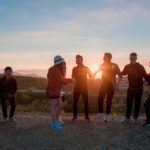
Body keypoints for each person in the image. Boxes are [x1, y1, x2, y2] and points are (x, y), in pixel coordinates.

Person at [122, 52, 149, 124]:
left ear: (136, 58)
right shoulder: (127, 66)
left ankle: (135, 118)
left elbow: (146, 77)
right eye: (130, 58)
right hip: (130, 88)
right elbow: (122, 73)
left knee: (137, 103)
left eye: (133, 58)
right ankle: (127, 118)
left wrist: (149, 81)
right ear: (129, 58)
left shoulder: (140, 67)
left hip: (139, 89)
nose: (132, 59)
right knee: (129, 103)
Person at [47, 55, 72, 131]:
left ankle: (55, 121)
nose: (63, 65)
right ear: (60, 63)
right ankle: (54, 124)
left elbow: (60, 80)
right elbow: (61, 80)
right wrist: (72, 80)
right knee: (54, 106)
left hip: (56, 91)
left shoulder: (54, 69)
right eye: (62, 63)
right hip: (53, 90)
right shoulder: (55, 70)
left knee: (59, 104)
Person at [95, 53, 122, 122]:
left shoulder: (114, 65)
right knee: (100, 98)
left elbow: (120, 76)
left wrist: (118, 85)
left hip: (111, 85)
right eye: (103, 57)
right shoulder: (102, 65)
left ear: (109, 58)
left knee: (108, 101)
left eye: (105, 57)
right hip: (103, 85)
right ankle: (100, 113)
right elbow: (98, 71)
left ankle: (108, 115)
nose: (103, 58)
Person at [72, 54, 92, 121]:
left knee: (86, 102)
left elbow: (91, 76)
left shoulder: (86, 68)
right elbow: (73, 78)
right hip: (77, 87)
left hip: (84, 88)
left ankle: (86, 116)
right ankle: (75, 116)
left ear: (81, 60)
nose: (76, 61)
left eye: (78, 59)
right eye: (76, 59)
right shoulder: (74, 69)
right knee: (75, 102)